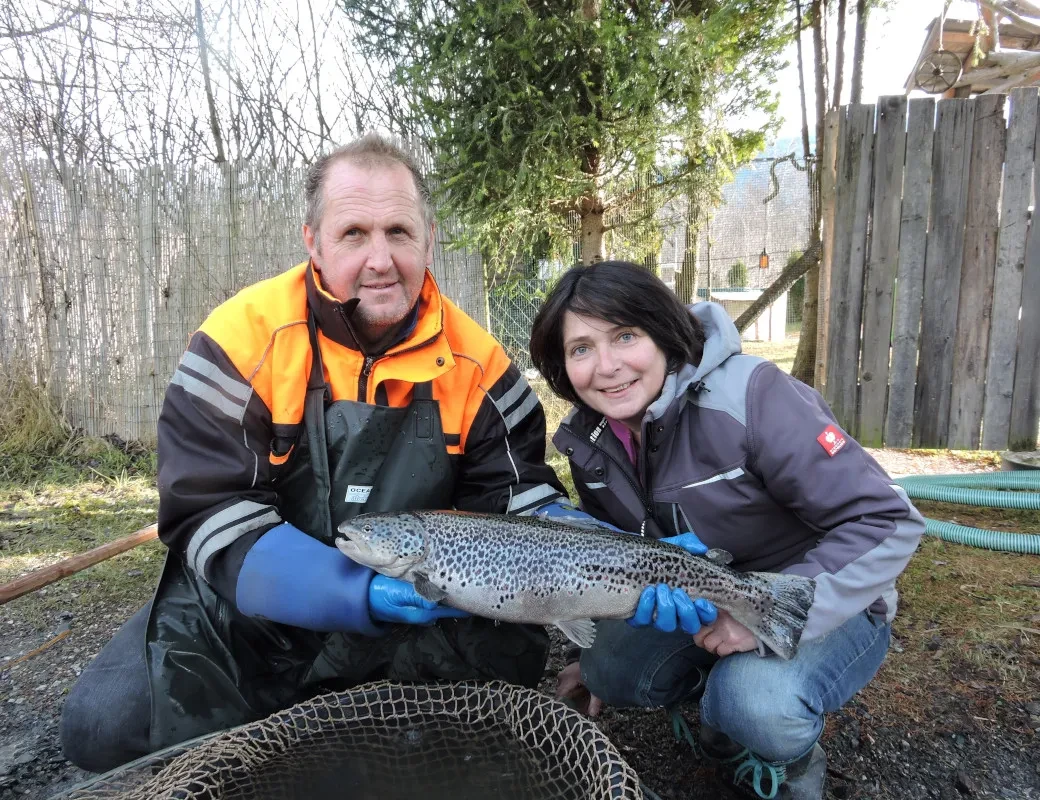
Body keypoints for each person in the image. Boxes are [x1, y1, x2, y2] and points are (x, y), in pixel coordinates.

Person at [60, 135, 679, 773]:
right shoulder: (237, 343)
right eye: (354, 233)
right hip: (259, 600)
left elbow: (519, 500)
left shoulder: (483, 369)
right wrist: (355, 592)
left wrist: (620, 553)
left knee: (496, 686)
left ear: (429, 240)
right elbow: (210, 514)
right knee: (103, 725)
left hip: (425, 598)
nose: (381, 259)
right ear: (313, 241)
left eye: (399, 232)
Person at [528, 260, 926, 800]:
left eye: (625, 336)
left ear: (663, 330)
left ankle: (783, 756)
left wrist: (758, 621)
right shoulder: (589, 440)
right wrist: (584, 654)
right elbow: (612, 557)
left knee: (754, 704)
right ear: (560, 365)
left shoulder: (753, 396)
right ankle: (723, 698)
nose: (607, 366)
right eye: (580, 349)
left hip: (830, 599)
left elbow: (887, 520)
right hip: (709, 601)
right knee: (611, 669)